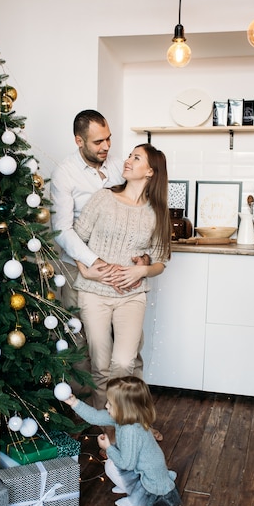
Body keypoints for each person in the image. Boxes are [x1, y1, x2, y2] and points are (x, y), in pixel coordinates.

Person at [50, 110, 147, 386]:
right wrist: (94, 263)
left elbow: (139, 209)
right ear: (79, 141)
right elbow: (62, 229)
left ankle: (133, 416)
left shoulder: (119, 167)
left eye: (108, 139)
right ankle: (88, 419)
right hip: (78, 269)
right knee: (81, 343)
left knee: (129, 344)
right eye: (97, 142)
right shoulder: (64, 174)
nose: (106, 146)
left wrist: (141, 257)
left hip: (121, 268)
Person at [73, 143, 171, 410]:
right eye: (129, 155)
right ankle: (107, 431)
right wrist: (85, 270)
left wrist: (142, 270)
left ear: (150, 172)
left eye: (136, 158)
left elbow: (161, 260)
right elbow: (76, 241)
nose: (127, 160)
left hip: (132, 297)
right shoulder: (103, 198)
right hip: (94, 294)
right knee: (101, 366)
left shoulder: (158, 212)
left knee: (124, 364)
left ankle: (125, 422)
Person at [64, 376, 182, 506]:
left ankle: (137, 497)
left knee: (110, 466)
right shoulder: (124, 418)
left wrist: (107, 447)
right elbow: (95, 417)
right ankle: (128, 485)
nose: (106, 405)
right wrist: (74, 403)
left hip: (147, 475)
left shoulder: (130, 430)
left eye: (111, 404)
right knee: (112, 461)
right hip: (139, 466)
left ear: (125, 409)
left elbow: (126, 465)